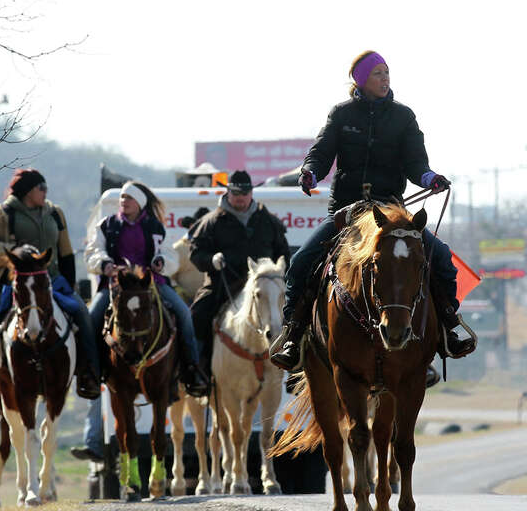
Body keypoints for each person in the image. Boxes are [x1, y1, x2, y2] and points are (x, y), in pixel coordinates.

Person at [269, 50, 476, 371]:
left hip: (390, 214)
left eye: (387, 72)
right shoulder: (341, 115)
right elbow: (320, 153)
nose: (385, 78)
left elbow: (416, 164)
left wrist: (429, 178)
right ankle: (293, 335)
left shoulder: (404, 117)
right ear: (362, 80)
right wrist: (309, 172)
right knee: (300, 263)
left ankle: (449, 326)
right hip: (347, 214)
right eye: (378, 73)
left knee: (443, 259)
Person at [0, 168, 101, 399]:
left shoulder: (55, 213)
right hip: (14, 280)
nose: (45, 191)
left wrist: (70, 284)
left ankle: (90, 372)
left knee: (82, 313)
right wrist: (12, 253)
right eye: (41, 187)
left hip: (51, 279)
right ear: (28, 191)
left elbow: (66, 250)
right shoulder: (3, 214)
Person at [85, 181, 211, 398]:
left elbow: (170, 255)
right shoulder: (107, 225)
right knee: (91, 317)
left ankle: (191, 370)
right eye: (123, 197)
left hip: (151, 285)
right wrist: (104, 264)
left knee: (184, 314)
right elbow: (93, 251)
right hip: (116, 285)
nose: (124, 201)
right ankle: (90, 372)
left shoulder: (155, 226)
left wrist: (161, 261)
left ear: (140, 204)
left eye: (129, 198)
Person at [188, 169, 290, 374]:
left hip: (265, 285)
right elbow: (196, 253)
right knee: (197, 315)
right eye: (236, 194)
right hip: (222, 284)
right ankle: (198, 371)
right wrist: (211, 260)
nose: (240, 198)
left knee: (297, 312)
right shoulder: (211, 221)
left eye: (244, 194)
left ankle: (294, 369)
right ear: (227, 194)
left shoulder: (268, 220)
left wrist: (280, 271)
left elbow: (283, 251)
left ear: (251, 193)